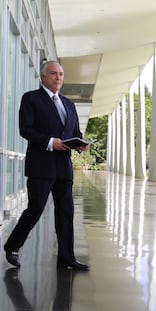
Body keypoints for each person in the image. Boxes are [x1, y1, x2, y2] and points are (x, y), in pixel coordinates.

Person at [3, 60, 90, 271]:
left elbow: (75, 132)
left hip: (63, 167)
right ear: (43, 77)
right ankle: (12, 246)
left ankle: (67, 258)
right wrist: (51, 142)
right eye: (53, 73)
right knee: (36, 208)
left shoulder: (69, 104)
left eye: (60, 74)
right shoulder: (31, 99)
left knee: (66, 211)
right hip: (41, 165)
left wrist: (80, 144)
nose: (58, 77)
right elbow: (26, 130)